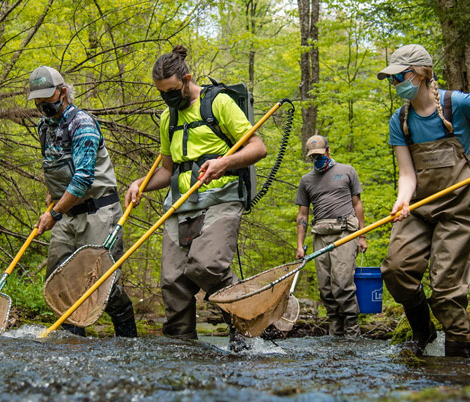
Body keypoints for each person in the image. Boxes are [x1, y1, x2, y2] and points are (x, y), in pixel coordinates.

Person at [124, 46, 267, 351]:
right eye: (163, 94)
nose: (169, 99)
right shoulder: (167, 118)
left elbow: (258, 148)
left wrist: (223, 163)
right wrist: (140, 183)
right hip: (180, 206)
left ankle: (247, 333)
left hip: (221, 198)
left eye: (173, 91)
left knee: (206, 266)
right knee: (172, 281)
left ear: (187, 79)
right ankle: (182, 349)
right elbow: (166, 171)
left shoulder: (219, 103)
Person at [377, 44, 470, 357]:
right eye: (392, 80)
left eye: (400, 77)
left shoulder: (456, 103)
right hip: (420, 207)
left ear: (422, 74)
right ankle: (423, 330)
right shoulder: (400, 121)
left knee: (445, 285)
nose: (396, 85)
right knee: (396, 269)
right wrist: (402, 201)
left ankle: (458, 353)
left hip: (459, 207)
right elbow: (407, 175)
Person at [28, 65, 137, 338]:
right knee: (61, 281)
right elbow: (55, 169)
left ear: (63, 93)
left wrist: (53, 213)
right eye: (39, 103)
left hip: (97, 212)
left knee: (101, 284)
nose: (44, 108)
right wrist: (53, 196)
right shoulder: (44, 128)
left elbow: (83, 179)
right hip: (67, 213)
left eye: (48, 101)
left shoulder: (83, 125)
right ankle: (72, 346)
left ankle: (129, 342)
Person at [295, 135, 367, 336]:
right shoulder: (306, 180)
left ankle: (352, 331)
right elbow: (302, 214)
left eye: (319, 155)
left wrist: (362, 235)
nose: (317, 159)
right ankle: (335, 332)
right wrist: (300, 245)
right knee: (325, 287)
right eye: (313, 157)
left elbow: (357, 204)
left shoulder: (347, 171)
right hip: (320, 234)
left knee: (342, 283)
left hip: (345, 232)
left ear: (328, 151)